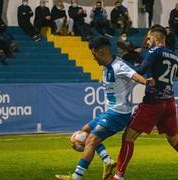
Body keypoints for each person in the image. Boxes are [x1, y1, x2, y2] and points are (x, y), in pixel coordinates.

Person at [111, 27, 178, 180]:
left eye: (149, 39)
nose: (148, 42)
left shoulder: (154, 51)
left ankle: (118, 177)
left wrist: (125, 68)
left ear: (156, 38)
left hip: (153, 102)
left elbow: (141, 70)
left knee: (128, 137)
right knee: (175, 141)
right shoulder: (175, 55)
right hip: (169, 103)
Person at [55, 37, 154, 180]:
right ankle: (107, 161)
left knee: (91, 141)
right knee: (85, 131)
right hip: (110, 112)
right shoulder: (106, 67)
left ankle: (76, 177)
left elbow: (134, 75)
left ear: (101, 52)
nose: (93, 58)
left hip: (118, 114)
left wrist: (146, 82)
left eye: (94, 54)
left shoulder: (118, 66)